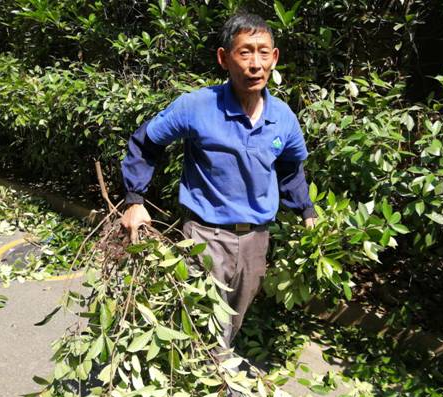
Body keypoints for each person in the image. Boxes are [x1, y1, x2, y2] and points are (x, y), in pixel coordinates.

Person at [120, 11, 315, 350]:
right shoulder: (196, 106)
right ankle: (211, 375)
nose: (255, 64)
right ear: (224, 58)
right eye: (245, 52)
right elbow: (145, 143)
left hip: (256, 240)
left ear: (274, 58)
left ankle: (216, 367)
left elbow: (289, 168)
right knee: (201, 323)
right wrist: (135, 200)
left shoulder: (283, 118)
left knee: (232, 320)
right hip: (205, 237)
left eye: (263, 52)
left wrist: (306, 210)